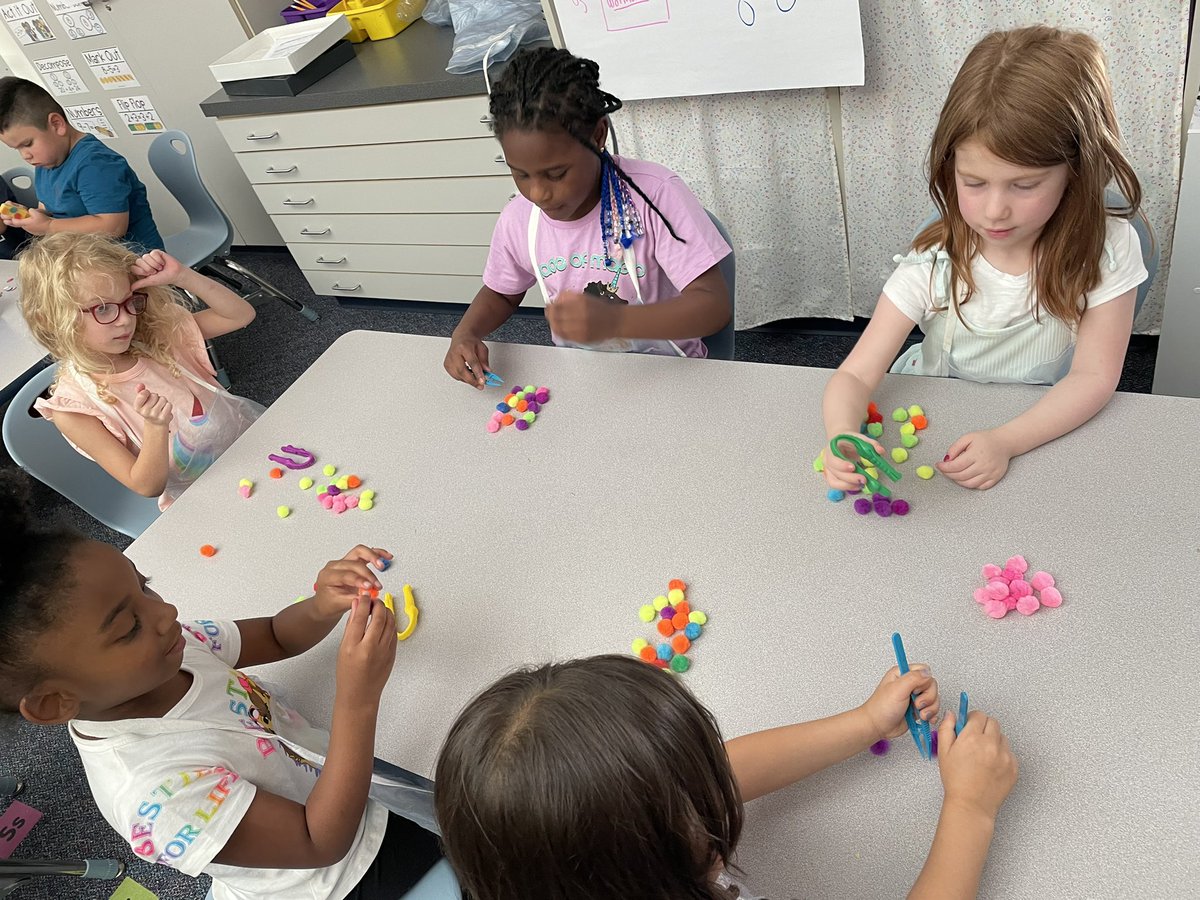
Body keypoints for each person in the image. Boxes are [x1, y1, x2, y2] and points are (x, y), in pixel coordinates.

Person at [0, 472, 454, 899]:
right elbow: (320, 842)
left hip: (336, 775)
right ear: (55, 702)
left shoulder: (175, 646)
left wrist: (320, 605)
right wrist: (357, 701)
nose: (166, 612)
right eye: (128, 628)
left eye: (147, 587)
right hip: (335, 877)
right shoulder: (152, 792)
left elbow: (275, 635)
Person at [821, 26, 1147, 491]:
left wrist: (1008, 441)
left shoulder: (1108, 249)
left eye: (1024, 185)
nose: (995, 210)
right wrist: (842, 434)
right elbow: (854, 374)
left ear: (1077, 170)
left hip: (1038, 419)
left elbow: (1094, 377)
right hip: (938, 411)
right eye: (973, 182)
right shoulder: (933, 263)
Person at [435, 654, 1017, 900]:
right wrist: (971, 808)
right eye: (693, 805)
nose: (716, 785)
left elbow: (700, 785)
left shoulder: (545, 871)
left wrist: (865, 723)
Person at [445, 46, 732, 385]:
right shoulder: (519, 219)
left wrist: (617, 323)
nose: (538, 193)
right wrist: (465, 332)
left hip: (674, 376)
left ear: (598, 135)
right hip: (587, 379)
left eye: (556, 174)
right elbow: (502, 293)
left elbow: (713, 306)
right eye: (520, 174)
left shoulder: (656, 197)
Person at [19, 232, 261, 509]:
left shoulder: (157, 336)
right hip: (203, 500)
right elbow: (146, 485)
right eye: (103, 309)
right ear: (52, 319)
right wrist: (156, 427)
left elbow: (240, 315)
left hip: (250, 446)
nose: (125, 320)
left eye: (129, 301)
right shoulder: (74, 409)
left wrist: (182, 276)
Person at [0, 76, 163, 250]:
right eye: (17, 149)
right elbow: (47, 208)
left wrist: (48, 226)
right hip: (89, 259)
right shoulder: (46, 162)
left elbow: (112, 226)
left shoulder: (96, 164)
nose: (25, 155)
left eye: (27, 144)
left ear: (57, 124)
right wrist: (31, 217)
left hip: (138, 262)